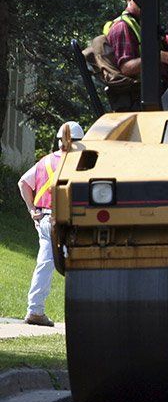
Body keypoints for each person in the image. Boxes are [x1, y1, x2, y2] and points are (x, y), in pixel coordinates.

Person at [16, 121, 84, 326]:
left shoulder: (45, 161)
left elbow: (23, 183)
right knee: (82, 263)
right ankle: (85, 312)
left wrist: (31, 210)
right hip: (70, 220)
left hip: (45, 219)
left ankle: (35, 310)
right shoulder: (78, 162)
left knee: (44, 264)